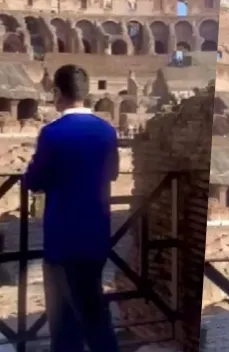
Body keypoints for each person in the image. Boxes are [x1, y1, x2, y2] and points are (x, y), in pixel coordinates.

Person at [24, 64, 119, 352]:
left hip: (62, 238)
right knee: (82, 312)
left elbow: (35, 180)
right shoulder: (106, 131)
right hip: (97, 234)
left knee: (79, 321)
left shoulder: (52, 134)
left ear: (57, 93)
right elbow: (113, 172)